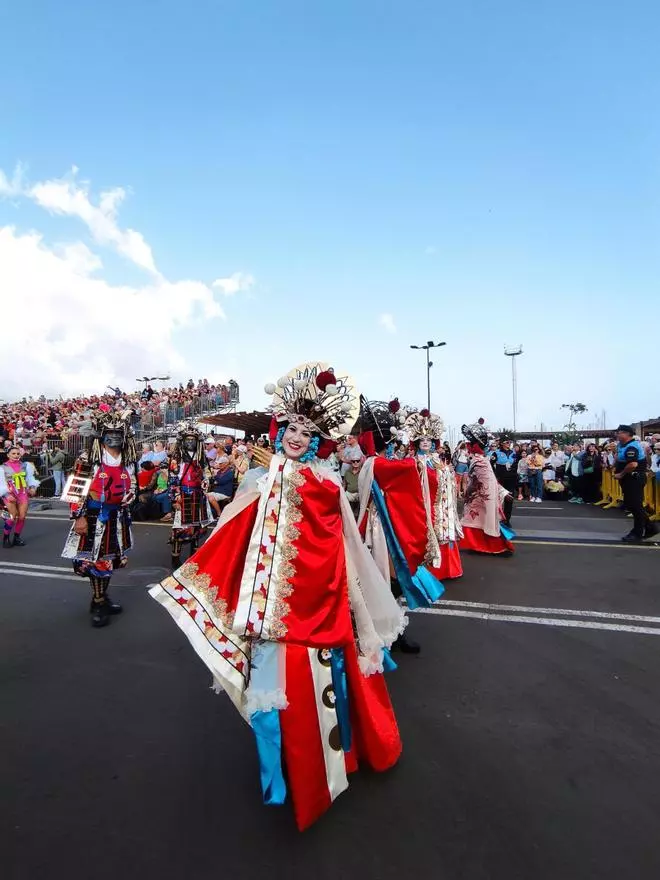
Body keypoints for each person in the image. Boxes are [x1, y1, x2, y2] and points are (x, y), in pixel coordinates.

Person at [149, 362, 406, 831]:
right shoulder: (257, 482)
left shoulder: (327, 484)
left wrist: (347, 601)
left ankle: (331, 762)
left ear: (316, 441)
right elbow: (234, 530)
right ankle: (281, 775)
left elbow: (341, 544)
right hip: (268, 608)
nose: (296, 436)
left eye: (307, 431)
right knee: (271, 698)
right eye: (291, 427)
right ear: (279, 430)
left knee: (326, 689)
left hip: (319, 606)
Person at [61, 411, 137, 627]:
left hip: (118, 517)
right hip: (94, 516)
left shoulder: (128, 459)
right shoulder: (89, 458)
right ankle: (99, 601)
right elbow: (75, 490)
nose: (114, 437)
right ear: (101, 435)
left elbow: (132, 484)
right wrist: (79, 517)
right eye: (109, 432)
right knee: (95, 560)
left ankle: (102, 598)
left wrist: (130, 496)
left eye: (118, 433)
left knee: (110, 559)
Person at [405, 408, 463, 580]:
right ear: (416, 442)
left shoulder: (437, 460)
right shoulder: (413, 462)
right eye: (422, 439)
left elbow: (445, 479)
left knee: (442, 531)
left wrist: (448, 474)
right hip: (424, 504)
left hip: (440, 505)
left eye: (429, 439)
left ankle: (447, 568)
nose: (426, 442)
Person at [459, 421, 514, 555]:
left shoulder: (480, 460)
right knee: (482, 520)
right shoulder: (479, 461)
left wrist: (501, 492)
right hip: (478, 497)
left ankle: (479, 545)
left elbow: (490, 481)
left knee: (480, 520)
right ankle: (487, 546)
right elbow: (487, 482)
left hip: (477, 496)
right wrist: (500, 494)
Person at [168, 425, 213, 568]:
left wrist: (206, 482)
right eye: (187, 440)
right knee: (179, 528)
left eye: (192, 440)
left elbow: (207, 474)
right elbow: (172, 478)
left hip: (198, 494)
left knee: (197, 527)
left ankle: (193, 556)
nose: (189, 442)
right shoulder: (177, 457)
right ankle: (175, 558)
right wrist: (175, 497)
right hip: (182, 494)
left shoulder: (201, 456)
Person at [613, 425, 657, 543]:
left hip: (634, 479)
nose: (617, 434)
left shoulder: (632, 446)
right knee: (632, 504)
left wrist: (621, 474)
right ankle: (650, 528)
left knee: (635, 505)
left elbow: (633, 465)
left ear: (627, 434)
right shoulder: (622, 445)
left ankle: (637, 533)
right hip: (629, 480)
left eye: (619, 432)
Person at [1, 446, 40, 547]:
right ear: (8, 455)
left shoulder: (26, 465)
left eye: (18, 453)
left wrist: (32, 487)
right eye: (13, 453)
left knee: (22, 517)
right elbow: (0, 483)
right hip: (9, 493)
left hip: (22, 493)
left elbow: (30, 478)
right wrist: (6, 494)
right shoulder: (2, 468)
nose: (16, 455)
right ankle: (6, 538)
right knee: (12, 516)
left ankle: (16, 538)